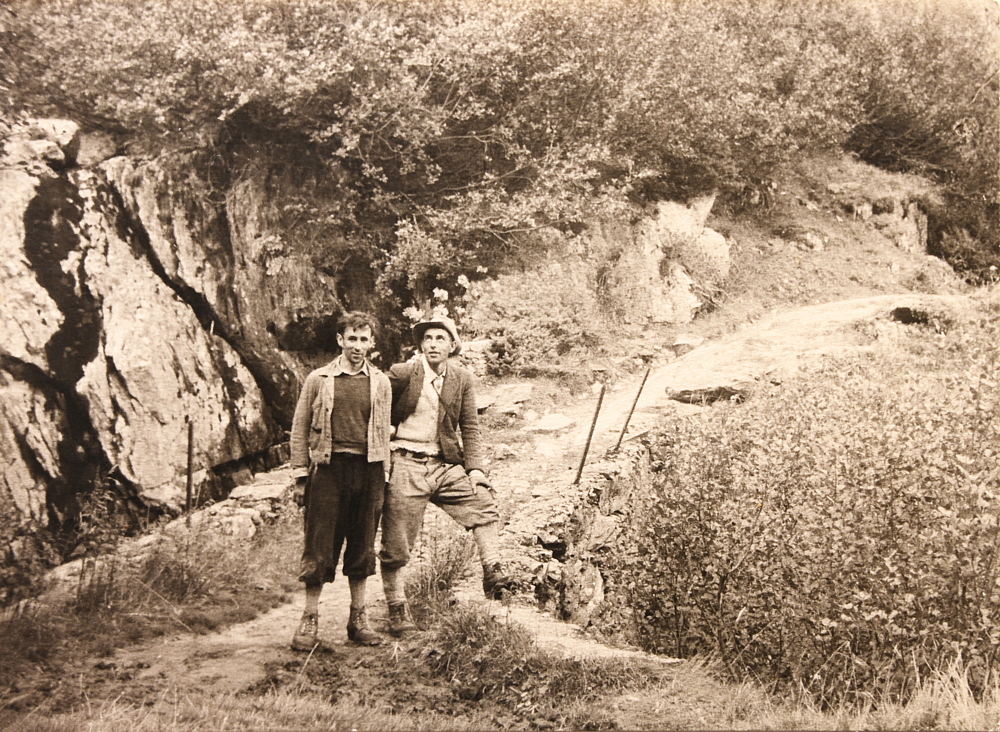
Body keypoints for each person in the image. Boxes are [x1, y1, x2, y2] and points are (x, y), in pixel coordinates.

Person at [379, 315, 516, 636]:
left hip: (443, 465)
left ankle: (492, 571)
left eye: (441, 339)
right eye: (428, 339)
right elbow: (374, 398)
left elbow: (470, 427)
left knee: (482, 502)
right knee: (397, 542)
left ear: (453, 345)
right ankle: (397, 610)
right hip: (406, 463)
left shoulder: (462, 379)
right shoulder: (403, 373)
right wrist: (385, 434)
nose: (433, 345)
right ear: (421, 345)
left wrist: (476, 470)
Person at [287, 311, 392, 651]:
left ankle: (358, 619)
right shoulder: (319, 379)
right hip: (329, 470)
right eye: (352, 338)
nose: (357, 346)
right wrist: (301, 475)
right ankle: (309, 618)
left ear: (372, 343)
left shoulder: (380, 383)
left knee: (362, 546)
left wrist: (385, 477)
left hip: (369, 470)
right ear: (340, 340)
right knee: (319, 546)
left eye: (364, 339)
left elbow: (385, 433)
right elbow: (300, 428)